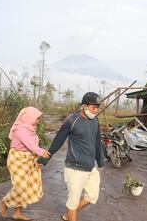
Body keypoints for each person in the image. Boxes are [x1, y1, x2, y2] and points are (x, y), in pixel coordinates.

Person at [37, 92, 105, 221]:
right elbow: (58, 141)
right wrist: (45, 158)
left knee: (92, 196)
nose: (96, 110)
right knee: (72, 203)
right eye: (93, 107)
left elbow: (97, 142)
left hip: (91, 167)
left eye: (97, 107)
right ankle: (70, 214)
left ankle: (67, 215)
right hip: (74, 169)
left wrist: (100, 161)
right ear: (85, 106)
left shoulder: (95, 121)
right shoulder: (72, 120)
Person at [0, 107, 51, 221]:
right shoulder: (21, 129)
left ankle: (17, 213)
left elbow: (32, 146)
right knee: (20, 186)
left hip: (28, 158)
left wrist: (37, 158)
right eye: (36, 118)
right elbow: (30, 144)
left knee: (25, 186)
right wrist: (41, 152)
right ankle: (4, 202)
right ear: (29, 118)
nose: (38, 121)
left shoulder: (31, 129)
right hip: (17, 159)